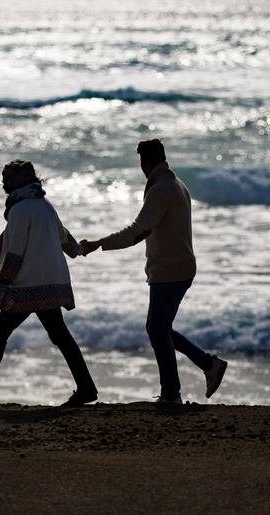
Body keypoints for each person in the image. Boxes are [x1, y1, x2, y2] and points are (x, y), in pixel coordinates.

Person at [81, 139, 227, 404]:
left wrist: (100, 243)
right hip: (177, 267)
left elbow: (138, 231)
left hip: (171, 270)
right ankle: (208, 365)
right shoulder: (175, 184)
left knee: (157, 329)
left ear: (145, 162)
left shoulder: (162, 189)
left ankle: (173, 393)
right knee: (159, 328)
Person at [0, 160, 97, 407]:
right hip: (53, 282)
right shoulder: (46, 206)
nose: (3, 183)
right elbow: (68, 242)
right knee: (60, 335)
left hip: (28, 286)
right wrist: (82, 249)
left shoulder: (20, 211)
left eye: (6, 178)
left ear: (16, 184)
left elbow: (14, 255)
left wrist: (3, 287)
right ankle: (86, 388)